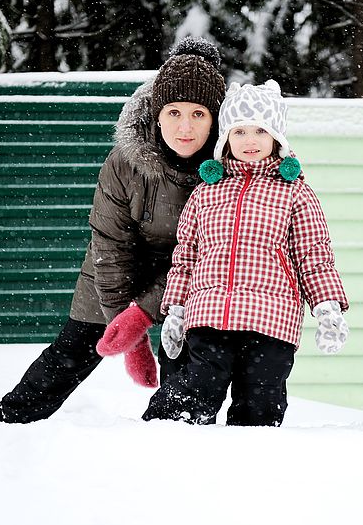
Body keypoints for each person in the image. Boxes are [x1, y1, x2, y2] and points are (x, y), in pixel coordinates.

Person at [0, 37, 226, 424]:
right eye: (174, 112)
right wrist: (125, 328)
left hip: (191, 278)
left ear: (215, 119)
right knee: (73, 350)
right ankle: (5, 424)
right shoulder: (125, 160)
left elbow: (208, 254)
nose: (185, 126)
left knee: (182, 358)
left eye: (198, 114)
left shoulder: (228, 171)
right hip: (116, 270)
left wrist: (144, 314)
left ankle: (172, 441)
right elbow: (110, 244)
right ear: (156, 113)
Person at [141, 79, 350, 427]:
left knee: (260, 401)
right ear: (225, 139)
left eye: (259, 131)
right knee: (192, 393)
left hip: (270, 321)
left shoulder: (294, 193)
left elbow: (314, 254)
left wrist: (327, 306)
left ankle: (252, 467)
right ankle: (161, 446)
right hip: (210, 316)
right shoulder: (206, 193)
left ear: (276, 137)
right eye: (238, 132)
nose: (249, 141)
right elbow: (186, 258)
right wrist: (176, 309)